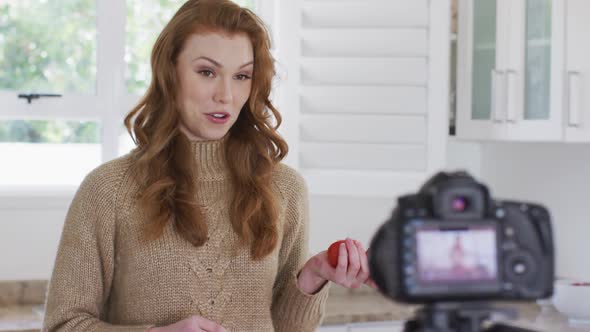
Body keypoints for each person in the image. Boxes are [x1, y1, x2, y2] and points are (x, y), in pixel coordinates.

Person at [42, 1, 373, 331]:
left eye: (242, 76)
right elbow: (63, 325)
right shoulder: (108, 190)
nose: (226, 95)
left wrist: (313, 275)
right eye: (207, 72)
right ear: (170, 73)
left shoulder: (284, 188)